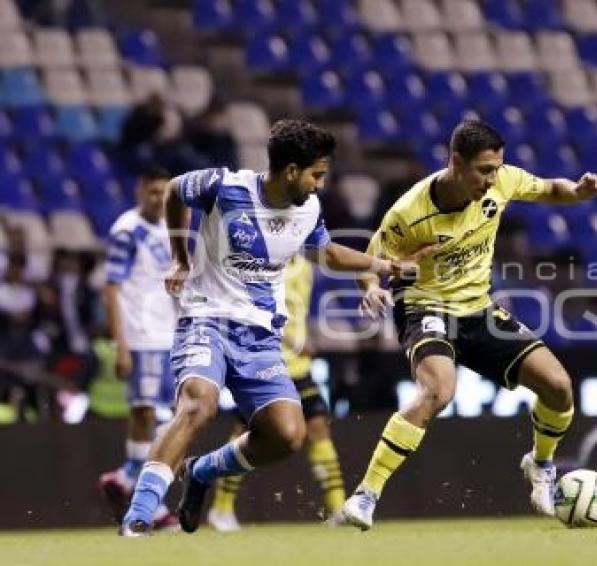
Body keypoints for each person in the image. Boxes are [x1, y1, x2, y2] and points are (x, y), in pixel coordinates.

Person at [119, 119, 422, 536]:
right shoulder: (224, 186)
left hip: (261, 336)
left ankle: (202, 471)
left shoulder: (309, 210)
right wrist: (181, 258)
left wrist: (385, 266)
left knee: (287, 434)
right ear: (291, 171)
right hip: (207, 319)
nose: (320, 184)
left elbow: (326, 253)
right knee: (198, 404)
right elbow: (174, 191)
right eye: (316, 174)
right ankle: (139, 515)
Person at [340, 119, 597, 530]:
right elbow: (371, 259)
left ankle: (540, 465)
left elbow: (552, 188)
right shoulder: (409, 213)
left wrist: (579, 191)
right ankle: (366, 495)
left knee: (558, 386)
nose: (492, 179)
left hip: (478, 309)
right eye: (483, 170)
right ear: (456, 162)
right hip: (425, 306)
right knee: (439, 390)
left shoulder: (503, 182)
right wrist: (372, 287)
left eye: (496, 169)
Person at [206, 254, 348, 530]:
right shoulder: (261, 267)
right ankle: (221, 509)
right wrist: (292, 340)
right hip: (264, 362)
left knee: (318, 426)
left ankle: (338, 509)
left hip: (298, 366)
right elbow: (249, 310)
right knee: (245, 435)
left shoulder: (306, 267)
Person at [97, 168, 179, 530]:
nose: (158, 199)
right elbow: (112, 288)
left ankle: (127, 478)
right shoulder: (127, 230)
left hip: (168, 334)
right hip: (142, 336)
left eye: (164, 193)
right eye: (152, 192)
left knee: (162, 419)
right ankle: (148, 501)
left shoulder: (169, 228)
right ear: (139, 191)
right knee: (146, 412)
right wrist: (121, 345)